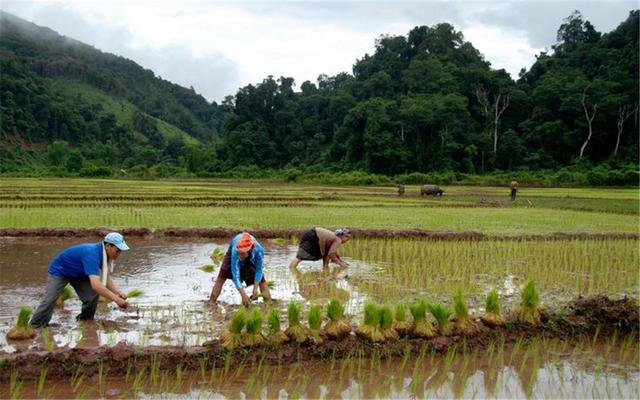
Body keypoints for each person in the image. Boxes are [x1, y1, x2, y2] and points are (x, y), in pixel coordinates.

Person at [30, 232, 130, 328]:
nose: (119, 254)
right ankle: (36, 325)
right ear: (108, 246)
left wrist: (118, 292)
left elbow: (106, 276)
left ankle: (85, 320)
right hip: (60, 271)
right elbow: (96, 285)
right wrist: (116, 299)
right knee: (50, 299)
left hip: (79, 273)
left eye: (120, 251)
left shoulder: (104, 254)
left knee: (91, 296)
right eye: (118, 250)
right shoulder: (92, 254)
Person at [209, 232, 272, 307]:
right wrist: (243, 295)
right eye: (239, 253)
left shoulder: (259, 251)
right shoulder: (235, 252)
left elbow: (259, 270)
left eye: (242, 253)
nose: (240, 256)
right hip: (235, 247)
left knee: (261, 279)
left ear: (249, 250)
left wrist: (255, 290)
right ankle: (211, 303)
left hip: (252, 255)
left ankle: (268, 304)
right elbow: (235, 275)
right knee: (222, 275)